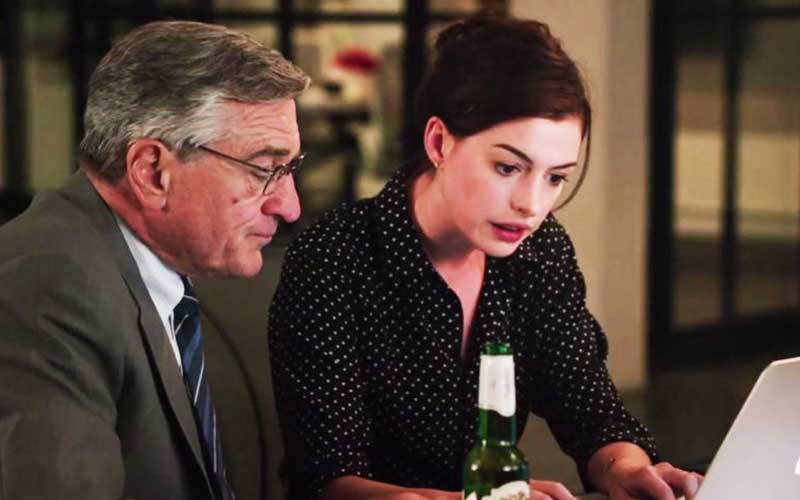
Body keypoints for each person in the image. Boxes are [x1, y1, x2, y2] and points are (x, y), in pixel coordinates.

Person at [269, 13, 702, 500]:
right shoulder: (335, 258)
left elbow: (591, 410)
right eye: (508, 167)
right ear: (439, 142)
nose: (532, 205)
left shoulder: (539, 250)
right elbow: (327, 477)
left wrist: (626, 467)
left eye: (555, 177)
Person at [0, 20, 308, 500]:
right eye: (265, 169)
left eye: (290, 169)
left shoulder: (126, 263)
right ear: (152, 172)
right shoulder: (49, 288)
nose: (290, 207)